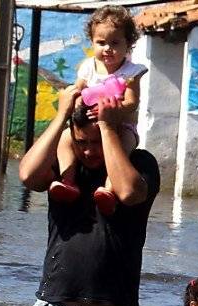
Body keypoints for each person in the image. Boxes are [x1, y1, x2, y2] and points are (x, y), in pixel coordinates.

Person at [17, 78, 160, 306]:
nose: (88, 151)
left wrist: (109, 129)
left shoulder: (140, 165)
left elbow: (128, 192)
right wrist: (60, 116)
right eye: (81, 142)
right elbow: (27, 175)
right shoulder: (65, 168)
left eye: (95, 143)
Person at [49, 6, 147, 216]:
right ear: (92, 42)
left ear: (129, 44)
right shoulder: (88, 67)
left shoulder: (131, 72)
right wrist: (76, 105)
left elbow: (132, 103)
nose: (107, 49)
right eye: (101, 43)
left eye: (115, 43)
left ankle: (109, 189)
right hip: (88, 126)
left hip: (120, 126)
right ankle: (68, 180)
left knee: (123, 149)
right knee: (66, 138)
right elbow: (78, 91)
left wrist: (113, 113)